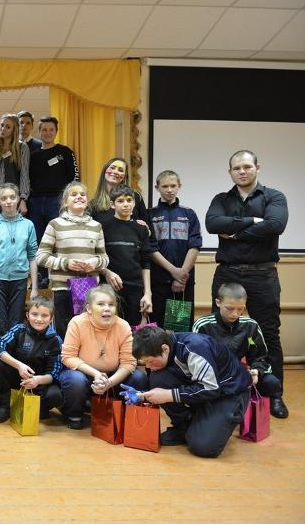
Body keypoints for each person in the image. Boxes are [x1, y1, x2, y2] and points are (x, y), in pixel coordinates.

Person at [205, 150, 288, 419]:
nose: (242, 171)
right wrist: (252, 221)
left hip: (263, 275)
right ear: (230, 171)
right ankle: (219, 390)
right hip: (227, 274)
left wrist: (235, 234)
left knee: (269, 335)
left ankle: (274, 394)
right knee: (218, 334)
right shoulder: (221, 199)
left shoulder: (274, 197)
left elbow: (275, 225)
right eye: (236, 168)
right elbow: (212, 223)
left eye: (247, 166)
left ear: (257, 168)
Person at [132, 326, 250, 458]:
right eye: (144, 362)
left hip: (229, 392)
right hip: (203, 388)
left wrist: (169, 395)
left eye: (150, 361)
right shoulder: (168, 347)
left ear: (165, 349)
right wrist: (142, 395)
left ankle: (210, 421)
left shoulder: (195, 347)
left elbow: (211, 388)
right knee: (158, 379)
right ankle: (183, 427)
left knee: (203, 447)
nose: (148, 366)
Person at [59, 285, 147, 429]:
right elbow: (68, 357)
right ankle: (74, 415)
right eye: (101, 304)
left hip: (113, 377)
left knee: (139, 377)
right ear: (89, 308)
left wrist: (109, 382)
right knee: (75, 380)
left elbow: (129, 362)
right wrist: (96, 374)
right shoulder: (77, 323)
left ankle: (125, 416)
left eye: (111, 305)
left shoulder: (123, 326)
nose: (107, 308)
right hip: (84, 374)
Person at [36, 181, 108, 338]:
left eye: (83, 194)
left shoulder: (96, 226)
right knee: (65, 332)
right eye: (73, 194)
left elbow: (104, 258)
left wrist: (95, 262)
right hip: (63, 288)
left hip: (89, 289)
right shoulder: (55, 224)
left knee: (88, 332)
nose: (79, 197)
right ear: (65, 202)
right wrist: (65, 263)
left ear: (87, 201)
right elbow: (41, 256)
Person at [192, 283, 281, 398]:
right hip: (210, 375)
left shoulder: (251, 325)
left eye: (240, 309)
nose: (235, 314)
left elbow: (260, 358)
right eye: (229, 309)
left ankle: (250, 397)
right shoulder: (203, 325)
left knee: (271, 383)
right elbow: (194, 359)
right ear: (218, 303)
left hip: (237, 373)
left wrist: (256, 371)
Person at [0, 296, 63, 423]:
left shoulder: (55, 340)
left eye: (44, 315)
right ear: (27, 315)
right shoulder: (19, 329)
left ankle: (40, 408)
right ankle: (4, 407)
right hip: (17, 377)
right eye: (34, 314)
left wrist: (37, 380)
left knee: (55, 395)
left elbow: (54, 373)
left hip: (39, 382)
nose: (39, 319)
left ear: (51, 318)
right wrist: (18, 365)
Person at [26, 115, 79, 289]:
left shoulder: (65, 152)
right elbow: (27, 180)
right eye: (44, 129)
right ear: (39, 131)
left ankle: (59, 276)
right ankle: (42, 277)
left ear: (56, 132)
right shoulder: (33, 155)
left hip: (58, 200)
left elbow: (75, 178)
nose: (47, 132)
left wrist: (71, 201)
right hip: (36, 201)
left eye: (51, 129)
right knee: (39, 239)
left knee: (59, 239)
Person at [148, 170, 201, 329]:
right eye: (165, 186)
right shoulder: (149, 214)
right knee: (157, 329)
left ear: (179, 186)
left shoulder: (189, 214)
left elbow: (194, 246)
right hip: (158, 281)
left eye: (173, 186)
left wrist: (181, 276)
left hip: (183, 283)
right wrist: (173, 271)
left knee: (179, 328)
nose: (169, 190)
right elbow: (150, 248)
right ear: (157, 188)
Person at [0, 183, 38, 339]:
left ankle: (14, 352)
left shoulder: (28, 225)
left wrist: (34, 288)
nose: (8, 201)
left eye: (12, 197)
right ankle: (0, 351)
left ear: (18, 199)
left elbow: (33, 256)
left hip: (20, 279)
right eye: (4, 198)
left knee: (16, 322)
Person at [99, 184, 153, 327]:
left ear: (134, 203)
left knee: (132, 329)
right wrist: (106, 272)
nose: (126, 204)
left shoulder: (141, 229)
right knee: (108, 327)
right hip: (109, 287)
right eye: (120, 201)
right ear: (112, 204)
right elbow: (97, 257)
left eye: (129, 200)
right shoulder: (102, 227)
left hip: (135, 288)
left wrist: (147, 293)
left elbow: (145, 262)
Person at [0, 114, 30, 224]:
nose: (3, 129)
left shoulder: (22, 147)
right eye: (2, 125)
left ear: (14, 131)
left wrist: (23, 199)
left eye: (8, 127)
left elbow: (24, 175)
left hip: (11, 198)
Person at [89, 157, 149, 224]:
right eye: (112, 168)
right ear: (104, 171)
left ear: (124, 177)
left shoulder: (135, 196)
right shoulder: (94, 204)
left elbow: (147, 225)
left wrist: (145, 227)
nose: (115, 172)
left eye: (120, 170)